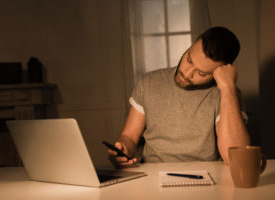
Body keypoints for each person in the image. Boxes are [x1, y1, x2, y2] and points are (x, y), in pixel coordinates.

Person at [107, 26, 250, 168]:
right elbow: (129, 136)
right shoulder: (149, 82)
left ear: (220, 72)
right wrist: (122, 149)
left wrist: (228, 89)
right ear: (191, 45)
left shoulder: (227, 95)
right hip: (153, 177)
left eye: (201, 73)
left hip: (208, 179)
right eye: (189, 59)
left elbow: (236, 158)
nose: (186, 74)